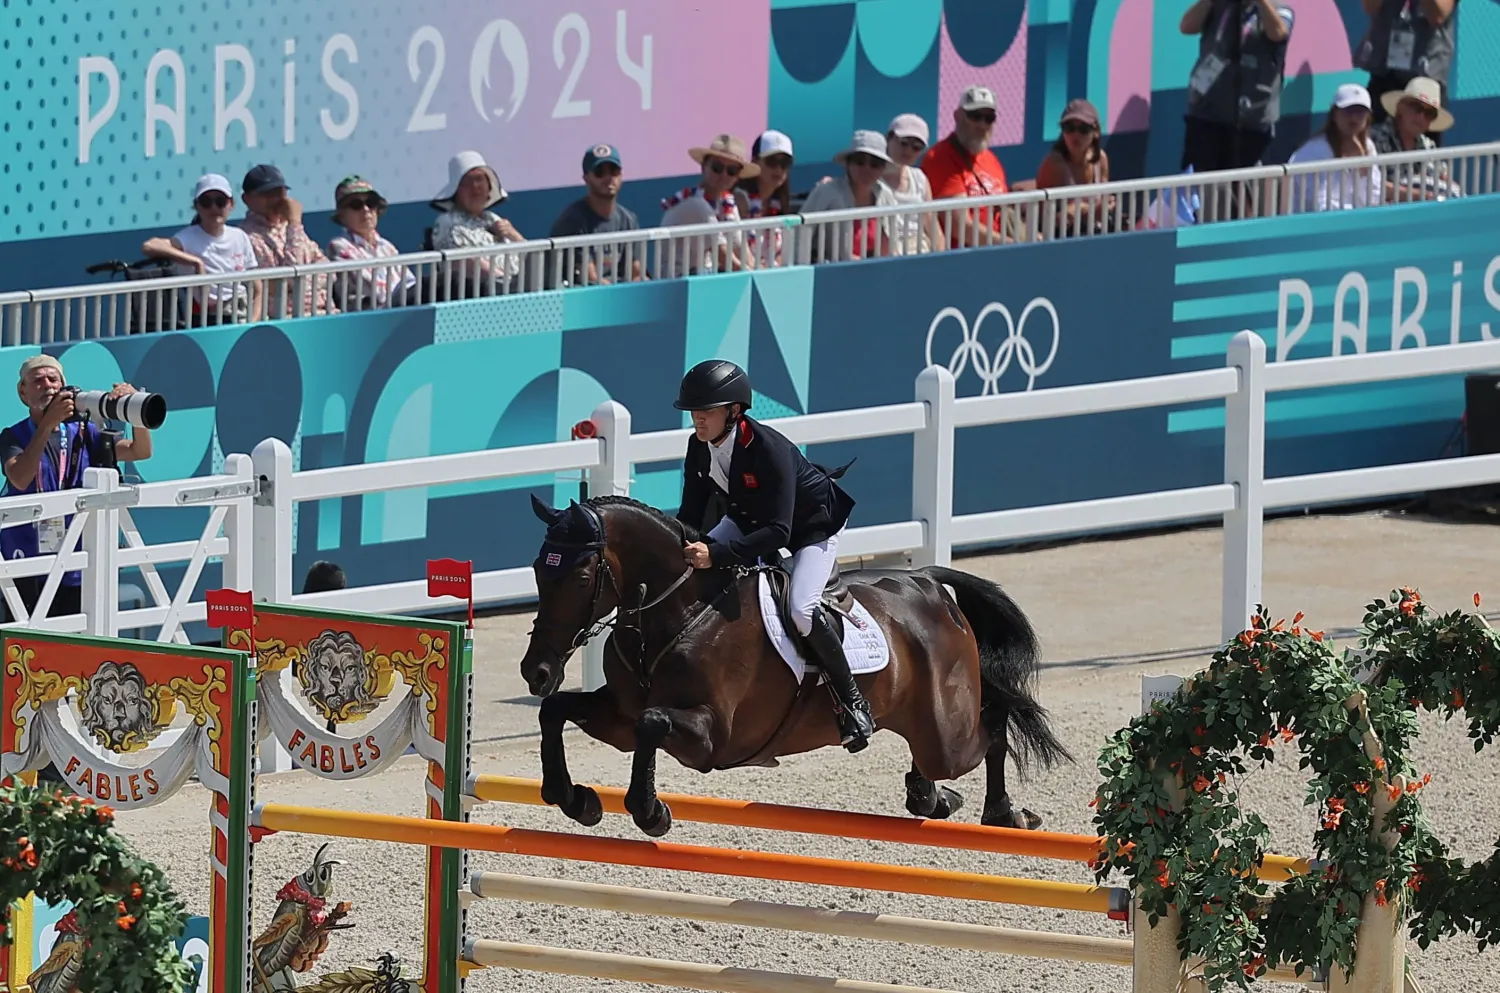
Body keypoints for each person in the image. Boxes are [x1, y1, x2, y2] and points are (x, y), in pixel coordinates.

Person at [672, 359, 873, 752]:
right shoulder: (699, 447)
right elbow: (690, 517)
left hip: (813, 526)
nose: (698, 419)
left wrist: (718, 555)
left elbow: (780, 533)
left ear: (734, 411)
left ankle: (853, 703)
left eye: (706, 411)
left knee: (801, 608)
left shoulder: (768, 449)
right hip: (749, 519)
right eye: (694, 411)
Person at [0, 354, 153, 620]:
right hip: (26, 559)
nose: (47, 385)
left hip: (77, 558)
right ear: (22, 392)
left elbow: (140, 451)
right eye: (38, 380)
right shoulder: (13, 436)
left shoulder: (83, 430)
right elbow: (20, 477)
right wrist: (47, 424)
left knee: (74, 643)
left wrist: (134, 409)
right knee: (29, 647)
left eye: (53, 379)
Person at [141, 173, 262, 325]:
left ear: (231, 204)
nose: (213, 208)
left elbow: (258, 289)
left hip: (242, 313)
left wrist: (253, 322)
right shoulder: (188, 237)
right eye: (206, 202)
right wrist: (195, 262)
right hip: (210, 318)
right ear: (197, 206)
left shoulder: (240, 236)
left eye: (220, 201)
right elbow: (150, 245)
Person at [326, 175, 418, 308]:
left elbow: (410, 282)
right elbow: (374, 292)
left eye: (371, 203)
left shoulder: (387, 246)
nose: (366, 209)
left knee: (441, 285)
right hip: (373, 316)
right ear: (341, 215)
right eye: (356, 205)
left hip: (401, 308)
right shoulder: (338, 246)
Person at [1288, 84, 1383, 212]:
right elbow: (1322, 206)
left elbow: (1374, 199)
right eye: (1348, 111)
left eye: (1360, 112)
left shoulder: (1368, 146)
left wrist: (1364, 174)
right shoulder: (1316, 151)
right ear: (1334, 114)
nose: (1354, 118)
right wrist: (1358, 212)